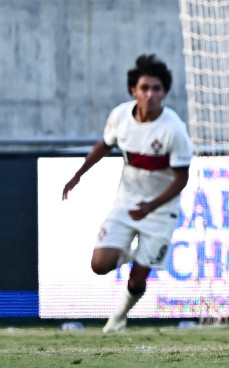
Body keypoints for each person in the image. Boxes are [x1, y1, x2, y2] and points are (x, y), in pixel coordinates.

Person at [62, 54, 193, 334]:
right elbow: (104, 145)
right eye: (144, 88)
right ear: (133, 90)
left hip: (161, 209)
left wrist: (151, 206)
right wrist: (78, 174)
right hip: (127, 202)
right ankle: (135, 254)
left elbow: (182, 179)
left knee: (137, 281)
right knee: (99, 265)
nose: (150, 94)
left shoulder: (174, 130)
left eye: (156, 88)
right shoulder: (120, 116)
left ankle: (118, 318)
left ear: (165, 92)